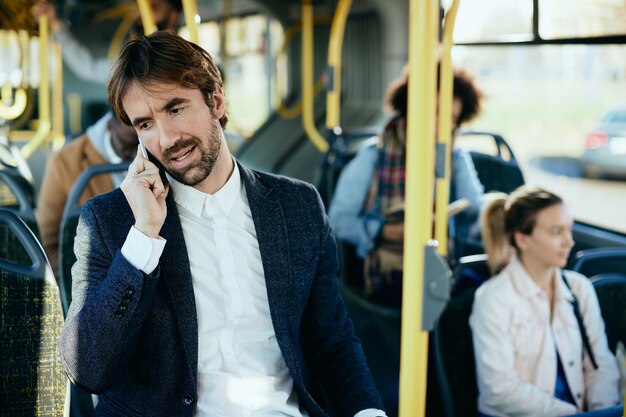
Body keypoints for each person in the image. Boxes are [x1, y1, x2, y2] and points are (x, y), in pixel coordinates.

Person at [59, 30, 386, 417]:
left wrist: (369, 412)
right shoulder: (110, 221)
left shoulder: (297, 206)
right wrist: (144, 236)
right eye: (145, 124)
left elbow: (333, 342)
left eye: (175, 109)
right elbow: (89, 369)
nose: (166, 139)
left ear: (215, 101)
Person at [328, 65, 484, 304]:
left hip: (442, 261)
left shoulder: (453, 156)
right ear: (411, 107)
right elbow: (338, 220)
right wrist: (384, 231)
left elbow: (475, 207)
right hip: (388, 267)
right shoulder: (373, 156)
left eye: (450, 119)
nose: (440, 126)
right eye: (435, 112)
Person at [470, 185, 622, 417]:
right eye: (556, 232)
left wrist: (601, 411)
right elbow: (499, 391)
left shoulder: (579, 288)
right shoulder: (493, 299)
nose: (569, 242)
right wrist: (572, 414)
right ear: (522, 239)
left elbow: (601, 366)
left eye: (569, 231)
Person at [37, 111, 138, 277]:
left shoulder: (164, 151)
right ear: (110, 125)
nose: (139, 157)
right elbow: (47, 247)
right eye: (129, 148)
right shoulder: (65, 163)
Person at [32, 0, 182, 84]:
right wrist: (56, 25)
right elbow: (90, 68)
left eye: (152, 9)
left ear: (173, 17)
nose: (142, 16)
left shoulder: (182, 59)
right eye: (141, 9)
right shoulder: (136, 59)